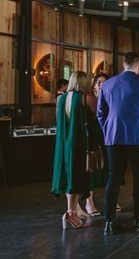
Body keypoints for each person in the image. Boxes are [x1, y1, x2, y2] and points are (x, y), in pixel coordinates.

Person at [97, 52, 139, 234]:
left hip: (114, 137)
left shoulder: (107, 84)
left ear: (124, 64)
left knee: (113, 178)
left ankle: (109, 222)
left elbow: (100, 113)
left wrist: (108, 129)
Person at [51, 71, 91, 229]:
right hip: (76, 142)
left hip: (63, 142)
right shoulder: (81, 98)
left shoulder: (61, 99)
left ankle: (72, 211)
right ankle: (70, 212)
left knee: (68, 177)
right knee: (75, 177)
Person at [82, 73, 109, 218]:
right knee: (92, 167)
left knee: (108, 167)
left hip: (107, 134)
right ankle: (89, 202)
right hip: (93, 134)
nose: (101, 84)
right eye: (99, 82)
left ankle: (111, 200)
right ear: (94, 84)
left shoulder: (110, 97)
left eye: (104, 82)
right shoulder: (89, 98)